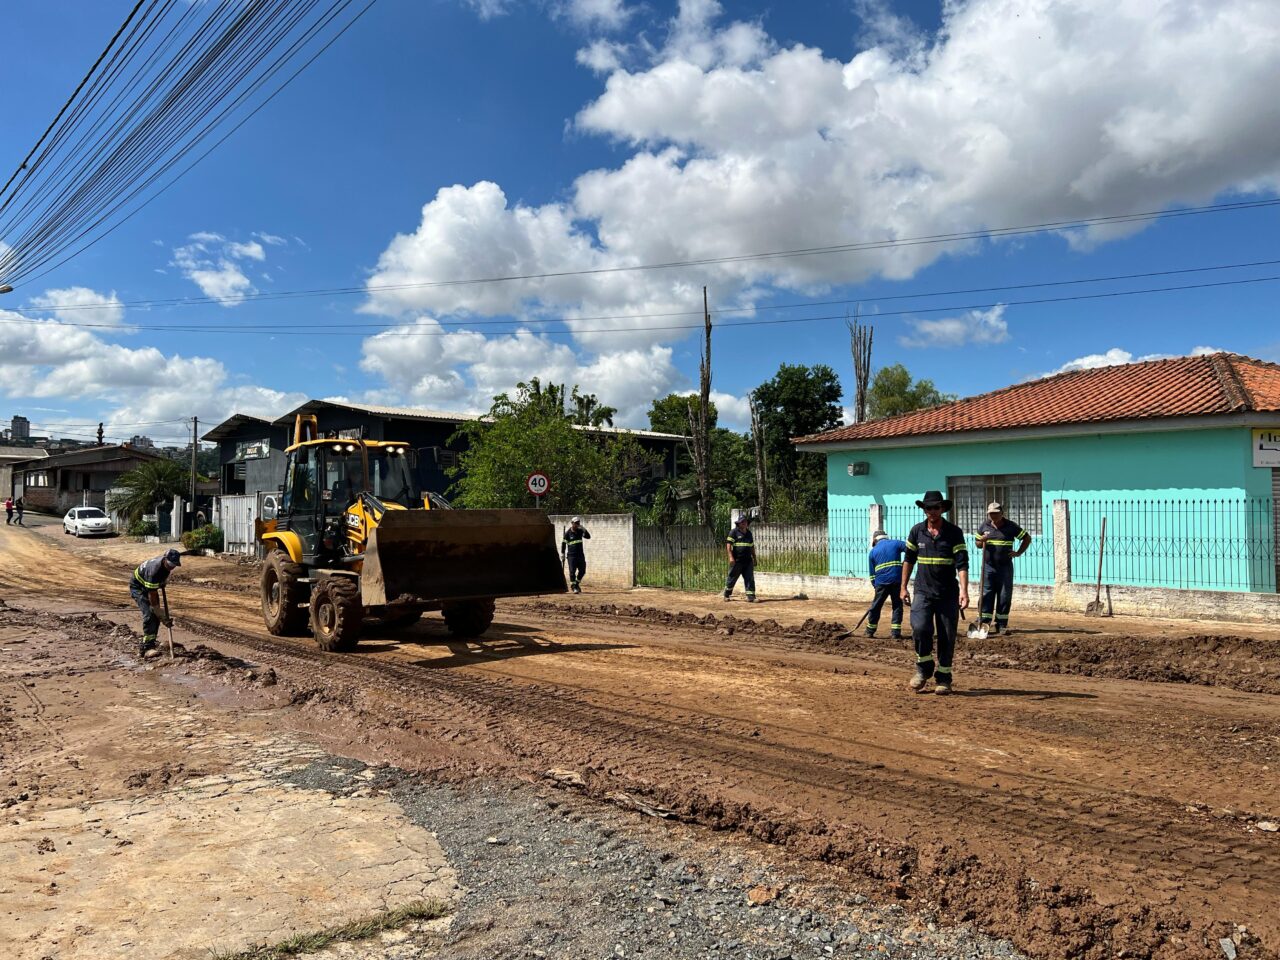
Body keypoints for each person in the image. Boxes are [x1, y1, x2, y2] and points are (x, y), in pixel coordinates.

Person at [900, 490, 969, 695]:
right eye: (928, 508)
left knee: (947, 636)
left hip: (947, 593)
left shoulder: (954, 532)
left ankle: (944, 678)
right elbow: (909, 560)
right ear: (924, 509)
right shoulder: (917, 531)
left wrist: (964, 591)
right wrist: (903, 587)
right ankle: (924, 668)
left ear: (942, 509)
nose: (932, 511)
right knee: (920, 628)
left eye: (936, 507)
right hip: (922, 591)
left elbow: (962, 564)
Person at [975, 501, 1032, 635]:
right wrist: (982, 540)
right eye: (991, 514)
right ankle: (984, 622)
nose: (993, 516)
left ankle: (1001, 624)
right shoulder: (984, 525)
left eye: (996, 513)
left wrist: (1018, 552)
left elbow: (1027, 538)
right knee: (986, 594)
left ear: (1002, 513)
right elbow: (977, 544)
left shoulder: (1011, 526)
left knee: (1004, 595)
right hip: (988, 567)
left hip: (1005, 568)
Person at [130, 548, 181, 658]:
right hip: (138, 588)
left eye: (174, 565)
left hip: (149, 585)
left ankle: (151, 644)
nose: (172, 567)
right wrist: (158, 611)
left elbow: (160, 579)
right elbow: (152, 594)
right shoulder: (154, 571)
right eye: (170, 564)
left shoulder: (165, 565)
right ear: (165, 559)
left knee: (155, 616)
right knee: (149, 614)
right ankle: (146, 649)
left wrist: (162, 582)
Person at [866, 530, 907, 638]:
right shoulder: (896, 543)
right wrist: (905, 564)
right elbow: (911, 549)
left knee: (876, 606)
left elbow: (872, 575)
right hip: (896, 580)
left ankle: (870, 631)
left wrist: (875, 586)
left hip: (881, 583)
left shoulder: (873, 552)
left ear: (875, 540)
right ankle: (895, 633)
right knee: (897, 606)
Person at [723, 514, 756, 602]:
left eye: (745, 522)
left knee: (749, 578)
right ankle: (726, 595)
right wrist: (731, 557)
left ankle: (751, 597)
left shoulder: (749, 533)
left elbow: (752, 547)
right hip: (737, 561)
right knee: (732, 578)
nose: (744, 523)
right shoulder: (733, 532)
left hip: (748, 561)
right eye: (742, 522)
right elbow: (728, 545)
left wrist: (754, 558)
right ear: (738, 523)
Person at [561, 516, 591, 593]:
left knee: (582, 571)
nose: (577, 524)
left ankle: (576, 584)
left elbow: (588, 537)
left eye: (578, 523)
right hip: (571, 556)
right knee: (572, 572)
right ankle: (573, 587)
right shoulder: (567, 533)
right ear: (572, 523)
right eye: (576, 523)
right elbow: (563, 544)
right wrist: (562, 554)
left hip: (580, 555)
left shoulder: (580, 531)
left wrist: (584, 529)